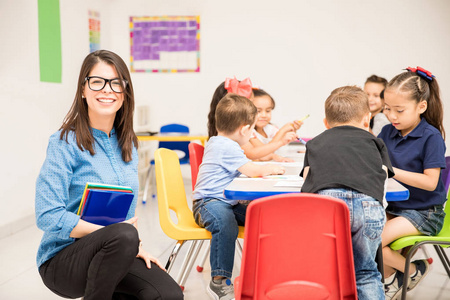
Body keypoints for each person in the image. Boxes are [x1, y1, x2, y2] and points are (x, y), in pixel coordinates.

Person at [35, 50, 183, 300]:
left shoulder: (129, 144)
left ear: (125, 92)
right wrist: (116, 236)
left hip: (116, 250)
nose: (107, 90)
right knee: (124, 234)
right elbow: (47, 216)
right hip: (63, 262)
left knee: (167, 294)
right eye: (97, 82)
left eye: (116, 83)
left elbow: (126, 215)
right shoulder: (64, 142)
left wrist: (136, 247)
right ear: (83, 89)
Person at [300, 86, 394, 300]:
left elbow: (308, 178)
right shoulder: (375, 143)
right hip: (368, 207)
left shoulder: (315, 143)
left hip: (328, 207)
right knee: (366, 272)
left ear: (326, 123)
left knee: (325, 271)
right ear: (366, 119)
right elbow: (383, 178)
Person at [193, 93, 285, 300]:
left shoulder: (222, 143)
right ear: (245, 129)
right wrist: (272, 168)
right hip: (208, 203)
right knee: (225, 224)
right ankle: (219, 281)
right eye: (252, 129)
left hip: (226, 202)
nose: (252, 133)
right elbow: (252, 169)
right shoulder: (225, 146)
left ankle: (269, 272)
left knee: (261, 215)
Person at [378, 66, 446, 299]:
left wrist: (392, 171)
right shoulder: (387, 132)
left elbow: (430, 182)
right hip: (394, 207)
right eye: (387, 109)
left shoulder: (431, 136)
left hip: (424, 211)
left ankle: (414, 270)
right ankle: (394, 279)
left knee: (373, 241)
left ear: (421, 107)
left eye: (399, 110)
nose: (391, 116)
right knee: (359, 235)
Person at [207, 78, 298, 161]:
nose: (252, 111)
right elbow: (254, 153)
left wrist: (273, 156)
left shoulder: (233, 133)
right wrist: (281, 139)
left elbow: (260, 154)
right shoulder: (235, 134)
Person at [242, 89, 302, 162]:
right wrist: (282, 131)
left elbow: (283, 142)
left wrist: (293, 129)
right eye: (258, 111)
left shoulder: (270, 128)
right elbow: (264, 152)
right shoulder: (248, 131)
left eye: (268, 111)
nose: (264, 115)